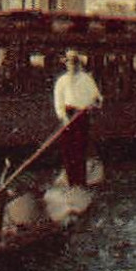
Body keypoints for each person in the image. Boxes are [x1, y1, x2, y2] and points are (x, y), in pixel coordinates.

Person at [53, 50, 103, 187]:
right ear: (66, 64)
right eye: (69, 62)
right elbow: (58, 102)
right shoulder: (61, 81)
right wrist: (64, 118)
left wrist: (94, 103)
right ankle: (70, 182)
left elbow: (97, 98)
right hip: (67, 116)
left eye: (74, 62)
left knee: (80, 149)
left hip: (81, 115)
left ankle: (80, 183)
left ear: (78, 63)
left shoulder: (86, 79)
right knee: (68, 151)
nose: (71, 65)